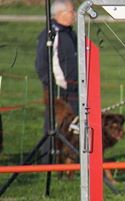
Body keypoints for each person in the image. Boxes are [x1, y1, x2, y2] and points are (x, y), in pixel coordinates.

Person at [35, 0, 78, 159]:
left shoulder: (70, 33)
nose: (74, 15)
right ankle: (48, 159)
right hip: (59, 90)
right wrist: (51, 87)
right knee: (55, 125)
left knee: (72, 126)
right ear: (60, 14)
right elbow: (41, 63)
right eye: (71, 12)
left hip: (74, 88)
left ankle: (69, 159)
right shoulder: (51, 34)